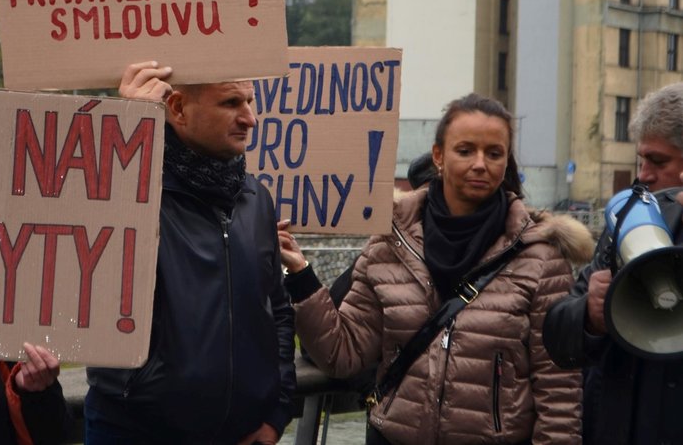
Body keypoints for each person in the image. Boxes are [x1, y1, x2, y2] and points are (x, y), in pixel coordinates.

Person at [280, 93, 593, 445]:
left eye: (494, 153)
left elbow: (558, 391)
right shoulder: (390, 242)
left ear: (507, 163)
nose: (480, 164)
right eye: (465, 150)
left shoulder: (541, 258)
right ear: (439, 156)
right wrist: (301, 274)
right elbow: (343, 353)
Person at [84, 61, 297, 445]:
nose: (250, 118)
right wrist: (127, 131)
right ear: (178, 109)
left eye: (250, 101)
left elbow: (277, 310)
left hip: (244, 433)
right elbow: (85, 263)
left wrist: (275, 412)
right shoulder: (128, 190)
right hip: (136, 431)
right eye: (231, 102)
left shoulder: (256, 199)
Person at [543, 82, 683, 445]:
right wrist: (587, 316)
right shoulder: (628, 223)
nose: (644, 175)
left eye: (658, 161)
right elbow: (559, 339)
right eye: (641, 160)